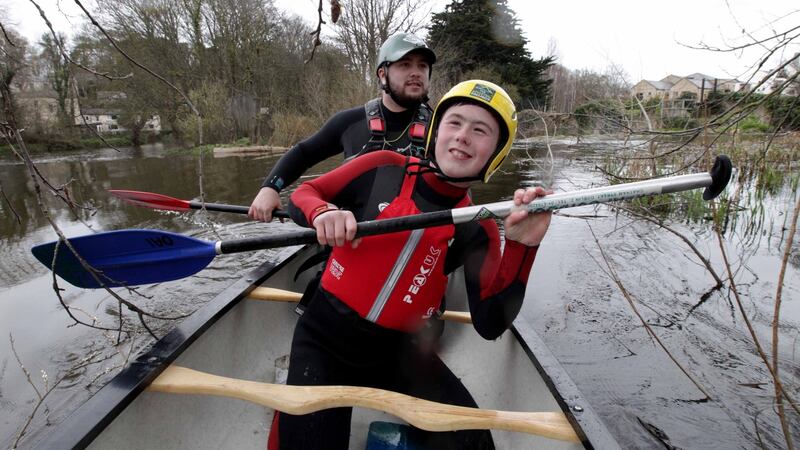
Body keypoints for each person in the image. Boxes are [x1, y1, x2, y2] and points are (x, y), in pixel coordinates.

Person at [273, 80, 552, 450]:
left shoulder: (479, 224)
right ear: (436, 132)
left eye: (480, 130)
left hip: (402, 352)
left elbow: (489, 324)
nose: (463, 136)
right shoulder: (382, 166)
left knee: (475, 443)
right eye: (455, 123)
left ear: (496, 153)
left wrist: (521, 246)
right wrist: (322, 212)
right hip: (326, 339)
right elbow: (305, 194)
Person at [249, 32, 437, 222]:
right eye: (405, 64)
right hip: (355, 238)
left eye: (422, 66)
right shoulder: (349, 122)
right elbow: (303, 153)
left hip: (424, 239)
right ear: (382, 74)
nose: (416, 72)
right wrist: (270, 188)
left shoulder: (444, 127)